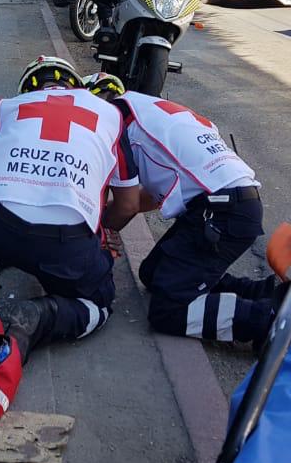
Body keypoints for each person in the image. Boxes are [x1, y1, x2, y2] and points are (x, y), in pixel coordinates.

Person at [0, 56, 141, 360]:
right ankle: (42, 316)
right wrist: (100, 238)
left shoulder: (10, 108)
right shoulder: (110, 116)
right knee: (99, 304)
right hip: (64, 248)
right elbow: (128, 205)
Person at [94, 76, 269, 346]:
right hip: (229, 203)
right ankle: (267, 293)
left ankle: (269, 321)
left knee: (168, 312)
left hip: (220, 213)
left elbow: (127, 205)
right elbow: (150, 197)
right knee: (153, 274)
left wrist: (96, 231)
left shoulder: (115, 125)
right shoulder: (145, 110)